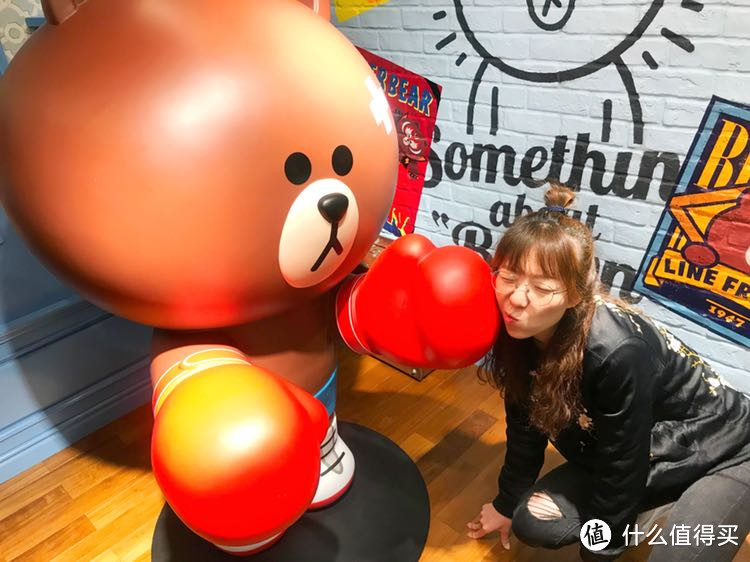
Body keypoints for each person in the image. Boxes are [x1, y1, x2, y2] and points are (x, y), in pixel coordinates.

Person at [466, 181, 750, 561]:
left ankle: (658, 502)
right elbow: (525, 423)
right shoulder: (519, 326)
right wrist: (506, 503)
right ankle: (647, 504)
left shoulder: (615, 351)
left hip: (724, 447)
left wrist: (599, 551)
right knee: (533, 521)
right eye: (509, 277)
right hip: (644, 450)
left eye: (542, 287)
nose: (517, 299)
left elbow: (623, 464)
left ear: (574, 295)